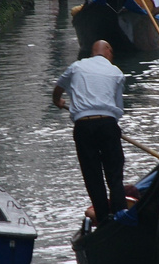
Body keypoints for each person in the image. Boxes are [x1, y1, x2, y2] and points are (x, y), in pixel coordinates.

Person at [52, 40, 126, 227]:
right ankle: (120, 214)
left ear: (93, 51)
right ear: (108, 51)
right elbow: (118, 108)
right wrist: (111, 129)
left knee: (92, 174)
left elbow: (58, 87)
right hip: (108, 124)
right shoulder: (116, 72)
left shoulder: (76, 66)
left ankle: (103, 218)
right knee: (114, 173)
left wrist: (58, 101)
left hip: (83, 126)